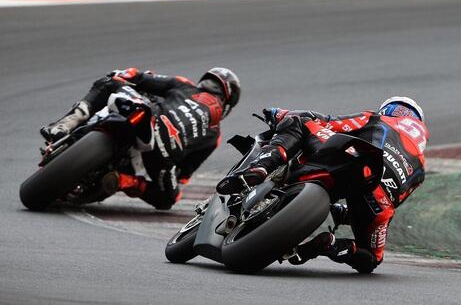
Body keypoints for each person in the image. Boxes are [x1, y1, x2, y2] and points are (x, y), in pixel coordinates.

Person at [217, 96, 428, 273]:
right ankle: (331, 245)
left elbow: (329, 122)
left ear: (392, 110)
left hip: (350, 160)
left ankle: (260, 168)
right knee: (371, 259)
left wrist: (280, 114)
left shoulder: (378, 118)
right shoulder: (420, 170)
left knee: (300, 121)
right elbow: (390, 202)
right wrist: (345, 213)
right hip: (378, 200)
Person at [41, 67, 241, 210]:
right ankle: (124, 181)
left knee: (110, 82)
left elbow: (133, 76)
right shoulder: (214, 134)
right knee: (168, 199)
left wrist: (128, 77)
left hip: (150, 118)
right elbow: (184, 174)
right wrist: (164, 172)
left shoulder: (184, 85)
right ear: (228, 104)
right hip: (163, 154)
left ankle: (65, 125)